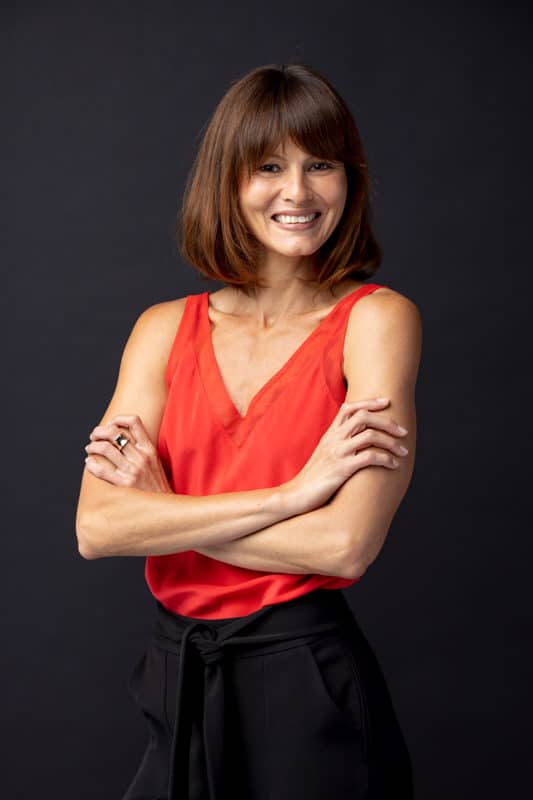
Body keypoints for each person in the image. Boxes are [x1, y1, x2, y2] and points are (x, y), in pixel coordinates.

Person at [75, 62, 422, 799]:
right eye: (268, 166)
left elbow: (343, 545)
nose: (296, 193)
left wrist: (163, 513)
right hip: (177, 674)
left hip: (305, 677)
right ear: (227, 182)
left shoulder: (376, 321)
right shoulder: (161, 330)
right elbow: (98, 527)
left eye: (319, 165)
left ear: (348, 180)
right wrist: (295, 493)